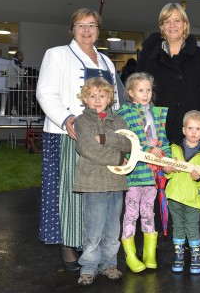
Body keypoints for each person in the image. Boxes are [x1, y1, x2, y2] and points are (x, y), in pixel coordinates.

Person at [36, 8, 124, 271]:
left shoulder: (107, 61)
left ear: (99, 30)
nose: (87, 30)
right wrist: (66, 118)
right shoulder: (57, 54)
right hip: (69, 134)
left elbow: (115, 100)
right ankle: (68, 244)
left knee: (99, 192)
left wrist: (117, 132)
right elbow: (46, 92)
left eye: (92, 25)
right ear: (72, 29)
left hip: (103, 136)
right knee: (71, 193)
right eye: (80, 25)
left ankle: (92, 245)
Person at [72, 77, 131, 286]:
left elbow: (128, 142)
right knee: (94, 229)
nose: (97, 100)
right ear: (85, 99)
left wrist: (105, 137)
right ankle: (88, 267)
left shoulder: (119, 121)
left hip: (116, 182)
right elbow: (87, 148)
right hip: (92, 182)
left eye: (102, 95)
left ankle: (109, 264)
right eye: (92, 95)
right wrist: (116, 157)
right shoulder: (82, 121)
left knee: (112, 229)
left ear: (110, 98)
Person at [116, 72, 171, 273]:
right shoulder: (124, 113)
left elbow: (163, 139)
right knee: (131, 214)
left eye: (148, 90)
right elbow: (127, 140)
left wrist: (167, 158)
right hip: (134, 173)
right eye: (141, 90)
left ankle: (149, 253)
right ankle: (130, 254)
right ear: (130, 93)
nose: (146, 94)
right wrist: (148, 150)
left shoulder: (156, 113)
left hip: (152, 175)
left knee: (149, 212)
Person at [136, 2, 200, 146]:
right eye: (167, 21)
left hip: (189, 129)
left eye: (177, 21)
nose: (172, 25)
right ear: (162, 26)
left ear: (185, 24)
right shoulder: (149, 53)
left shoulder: (198, 55)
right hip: (154, 127)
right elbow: (135, 91)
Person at [164, 110, 200, 274]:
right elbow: (167, 173)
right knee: (178, 228)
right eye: (190, 128)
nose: (193, 132)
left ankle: (195, 257)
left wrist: (199, 179)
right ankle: (179, 256)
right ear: (183, 130)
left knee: (192, 228)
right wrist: (167, 170)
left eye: (197, 129)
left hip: (194, 199)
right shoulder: (173, 149)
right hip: (174, 196)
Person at [6, 50, 25, 115]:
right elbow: (21, 72)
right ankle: (17, 112)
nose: (23, 57)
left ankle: (9, 112)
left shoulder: (13, 62)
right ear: (18, 56)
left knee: (13, 99)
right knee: (13, 99)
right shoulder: (15, 62)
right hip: (14, 83)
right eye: (21, 56)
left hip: (14, 84)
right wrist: (24, 71)